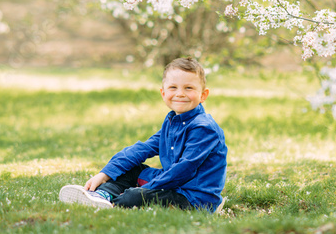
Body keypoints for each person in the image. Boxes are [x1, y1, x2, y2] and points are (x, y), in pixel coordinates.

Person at [59, 57, 228, 212]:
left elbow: (183, 170)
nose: (180, 93)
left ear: (203, 95)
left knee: (135, 196)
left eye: (188, 88)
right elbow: (142, 149)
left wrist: (145, 189)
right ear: (163, 93)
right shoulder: (172, 121)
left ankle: (113, 203)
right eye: (173, 87)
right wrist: (104, 174)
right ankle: (100, 195)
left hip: (193, 197)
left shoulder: (204, 128)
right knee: (132, 169)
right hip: (174, 184)